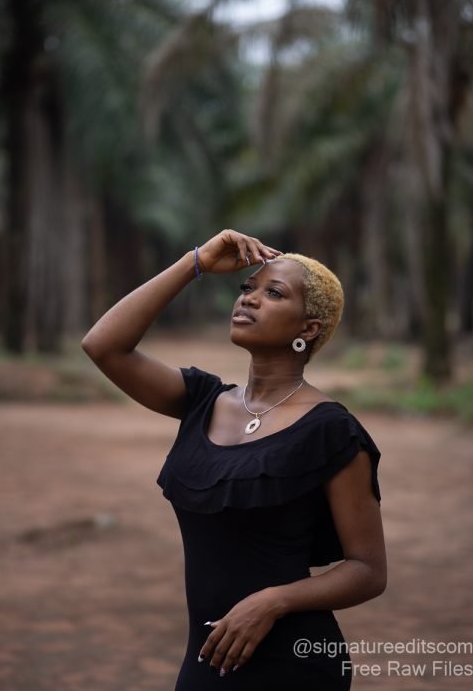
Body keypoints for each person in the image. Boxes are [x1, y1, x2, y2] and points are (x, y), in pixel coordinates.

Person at [81, 229, 387, 691]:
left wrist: (272, 602)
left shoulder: (330, 430)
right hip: (206, 660)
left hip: (292, 666)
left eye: (273, 293)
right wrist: (196, 262)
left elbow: (368, 570)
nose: (249, 298)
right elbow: (103, 346)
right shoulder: (202, 400)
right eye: (248, 287)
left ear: (308, 330)